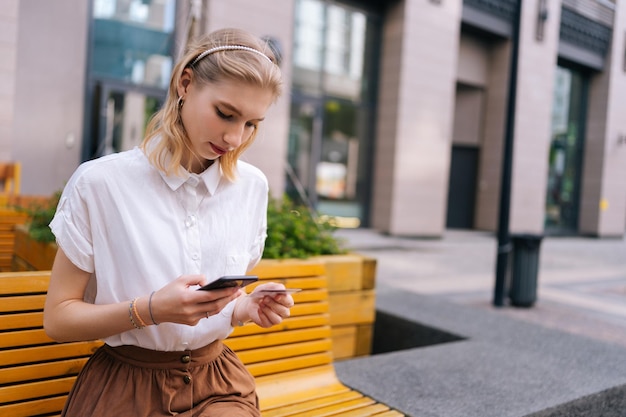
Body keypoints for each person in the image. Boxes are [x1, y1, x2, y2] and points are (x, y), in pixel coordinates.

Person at [43, 28, 292, 417]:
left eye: (251, 124)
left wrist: (244, 309)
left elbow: (220, 301)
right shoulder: (100, 184)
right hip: (126, 387)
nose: (234, 137)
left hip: (218, 385)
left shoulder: (251, 187)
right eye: (225, 114)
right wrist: (151, 309)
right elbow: (58, 319)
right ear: (185, 83)